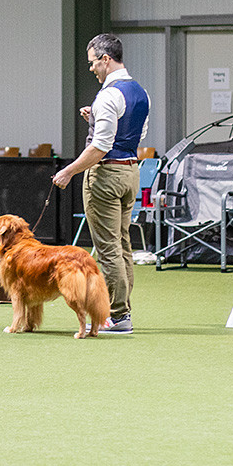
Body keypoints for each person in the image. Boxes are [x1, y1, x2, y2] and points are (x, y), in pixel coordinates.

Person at [52, 33, 150, 334]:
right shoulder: (141, 92)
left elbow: (101, 147)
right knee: (122, 246)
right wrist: (94, 120)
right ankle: (123, 312)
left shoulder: (108, 96)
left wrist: (69, 171)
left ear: (106, 59)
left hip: (106, 176)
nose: (92, 68)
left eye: (93, 62)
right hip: (131, 172)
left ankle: (117, 317)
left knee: (107, 249)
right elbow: (136, 135)